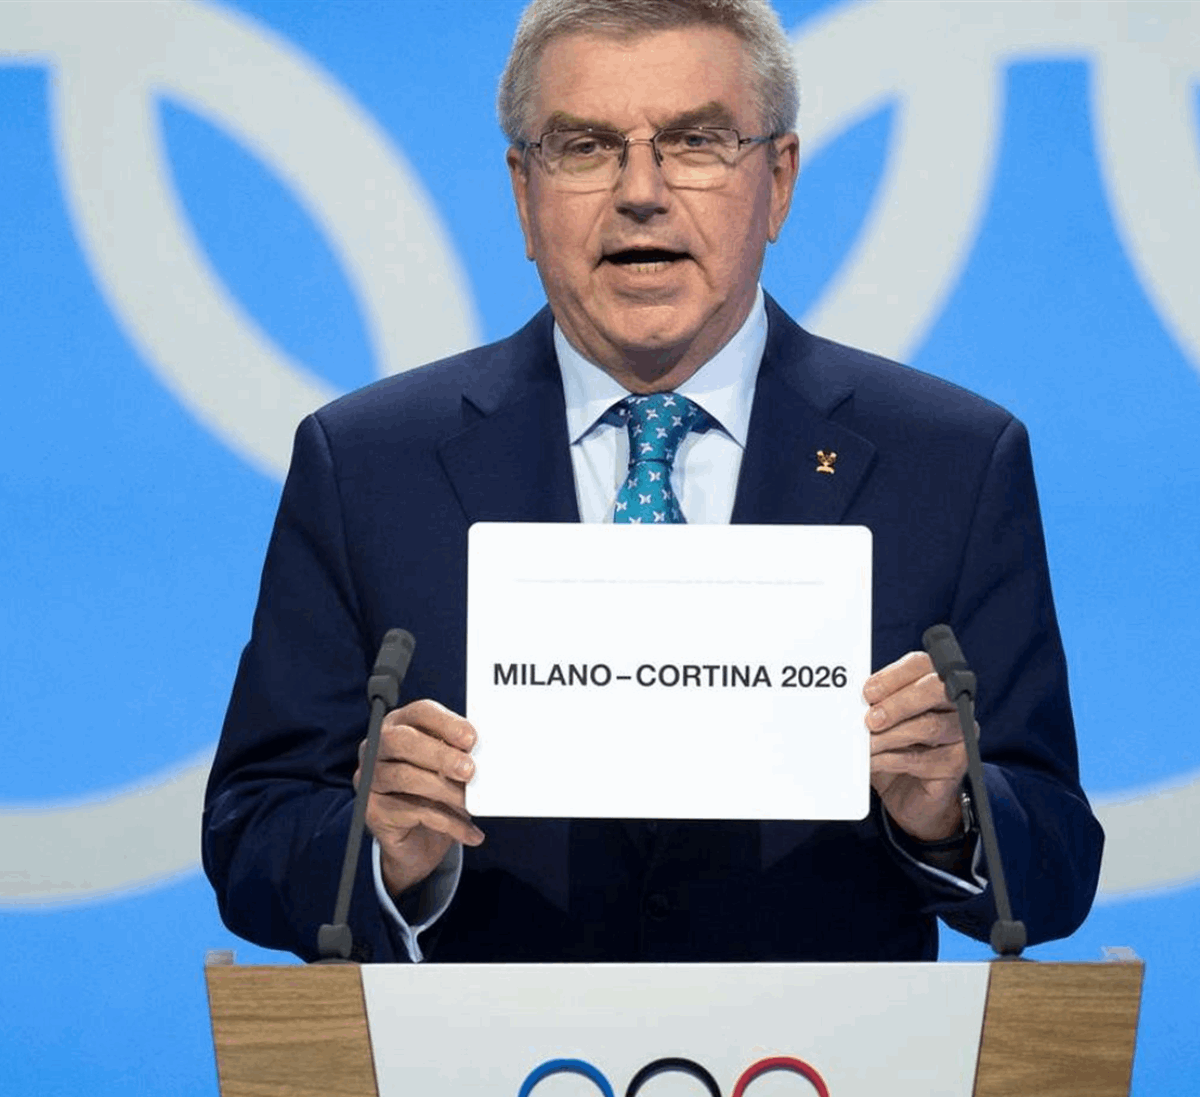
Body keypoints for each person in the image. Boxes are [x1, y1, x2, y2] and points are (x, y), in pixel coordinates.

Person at [203, 0, 1103, 965]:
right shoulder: (368, 465)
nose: (641, 192)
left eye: (697, 142)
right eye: (585, 147)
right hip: (490, 1056)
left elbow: (1054, 866)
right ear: (523, 193)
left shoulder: (950, 463)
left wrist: (947, 812)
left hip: (813, 1060)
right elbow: (252, 836)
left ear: (779, 182)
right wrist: (381, 849)